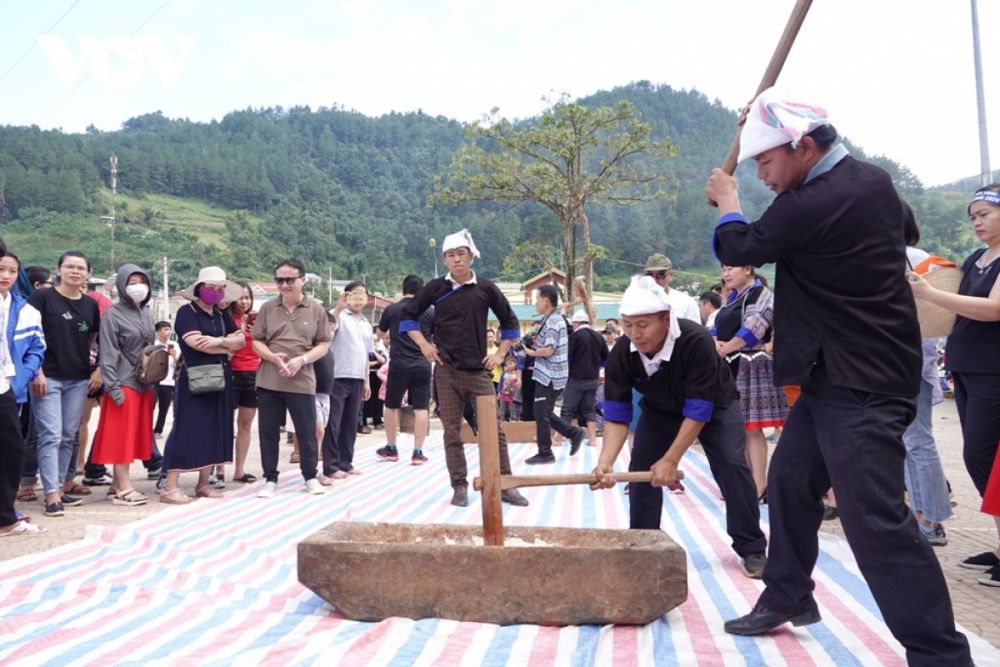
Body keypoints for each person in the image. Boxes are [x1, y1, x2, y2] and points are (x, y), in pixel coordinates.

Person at [706, 88, 971, 664]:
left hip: (864, 382)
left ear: (802, 147)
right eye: (751, 167)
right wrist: (759, 122)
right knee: (792, 485)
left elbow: (741, 244)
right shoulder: (868, 182)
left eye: (765, 162)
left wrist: (727, 199)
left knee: (874, 521)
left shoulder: (818, 199)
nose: (761, 176)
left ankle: (941, 655)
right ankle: (789, 594)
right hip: (836, 378)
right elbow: (903, 225)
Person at [591, 275, 768, 578]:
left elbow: (699, 411)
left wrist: (671, 460)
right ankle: (644, 543)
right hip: (660, 411)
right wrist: (605, 463)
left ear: (665, 318)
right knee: (642, 469)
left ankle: (751, 546)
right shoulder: (622, 352)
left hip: (715, 408)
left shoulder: (695, 341)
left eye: (643, 324)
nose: (635, 333)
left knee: (731, 464)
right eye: (628, 324)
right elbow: (618, 416)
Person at [909, 183, 1000, 585]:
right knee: (979, 458)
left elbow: (994, 309)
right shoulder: (977, 258)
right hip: (966, 368)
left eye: (984, 214)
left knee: (982, 456)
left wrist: (931, 293)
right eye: (973, 216)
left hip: (994, 371)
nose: (977, 221)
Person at [400, 229, 528, 507]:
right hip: (445, 371)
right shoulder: (435, 288)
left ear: (471, 256)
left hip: (479, 372)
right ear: (445, 259)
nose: (456, 260)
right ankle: (459, 486)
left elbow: (510, 322)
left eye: (461, 254)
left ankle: (504, 483)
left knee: (495, 430)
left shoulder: (485, 287)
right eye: (450, 255)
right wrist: (424, 345)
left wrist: (500, 354)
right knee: (451, 431)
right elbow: (407, 317)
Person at [160, 267, 245, 504]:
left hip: (221, 376)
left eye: (220, 289)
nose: (216, 293)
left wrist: (219, 341)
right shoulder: (187, 312)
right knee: (187, 428)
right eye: (211, 288)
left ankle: (203, 483)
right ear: (199, 288)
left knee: (215, 428)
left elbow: (240, 340)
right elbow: (196, 342)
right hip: (196, 376)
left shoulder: (220, 315)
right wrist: (226, 345)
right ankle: (169, 487)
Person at [29, 251, 101, 517]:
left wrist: (93, 368)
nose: (75, 271)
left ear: (87, 274)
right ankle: (50, 494)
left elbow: (91, 337)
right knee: (51, 434)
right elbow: (28, 335)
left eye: (80, 268)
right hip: (46, 377)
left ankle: (58, 487)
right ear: (58, 269)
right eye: (69, 266)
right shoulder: (41, 298)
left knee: (68, 436)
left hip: (78, 379)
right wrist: (36, 371)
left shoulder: (91, 305)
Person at [898, 204, 952, 546]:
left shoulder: (911, 259)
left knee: (916, 439)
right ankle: (921, 512)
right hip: (909, 358)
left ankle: (928, 518)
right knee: (910, 440)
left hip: (906, 360)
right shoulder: (921, 258)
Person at [253, 259, 331, 498]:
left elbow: (324, 343)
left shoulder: (316, 309)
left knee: (306, 431)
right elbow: (257, 341)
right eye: (280, 280)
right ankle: (270, 478)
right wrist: (273, 358)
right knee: (268, 431)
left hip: (302, 379)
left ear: (302, 280)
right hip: (269, 380)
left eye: (290, 280)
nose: (285, 285)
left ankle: (309, 476)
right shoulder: (267, 309)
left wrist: (302, 360)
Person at [711, 265, 788, 501]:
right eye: (723, 269)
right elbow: (716, 324)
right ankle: (744, 482)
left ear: (747, 269)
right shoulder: (733, 297)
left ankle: (758, 484)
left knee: (752, 429)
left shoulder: (762, 294)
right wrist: (714, 342)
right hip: (728, 362)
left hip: (750, 363)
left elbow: (755, 328)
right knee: (737, 427)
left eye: (730, 268)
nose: (726, 274)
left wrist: (724, 348)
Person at [90, 264, 157, 506]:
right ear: (121, 285)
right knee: (122, 436)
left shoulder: (145, 313)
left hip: (144, 383)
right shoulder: (112, 314)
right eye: (131, 281)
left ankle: (115, 484)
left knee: (134, 434)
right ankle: (124, 488)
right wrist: (112, 387)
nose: (137, 286)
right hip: (123, 382)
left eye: (142, 280)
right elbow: (108, 353)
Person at [0, 248, 46, 536]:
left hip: (5, 387)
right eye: (0, 269)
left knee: (11, 450)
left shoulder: (27, 311)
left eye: (11, 271)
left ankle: (5, 518)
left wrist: (19, 379)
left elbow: (36, 349)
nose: (5, 275)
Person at [523, 285, 588, 463]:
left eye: (537, 298)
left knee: (541, 412)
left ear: (545, 300)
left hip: (550, 374)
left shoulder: (553, 321)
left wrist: (531, 353)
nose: (536, 302)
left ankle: (545, 452)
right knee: (542, 411)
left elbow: (549, 349)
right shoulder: (553, 318)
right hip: (549, 373)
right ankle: (573, 433)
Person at [376, 275, 434, 465]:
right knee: (421, 407)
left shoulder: (391, 309)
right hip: (422, 364)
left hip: (399, 363)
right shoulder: (430, 311)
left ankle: (391, 448)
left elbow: (379, 335)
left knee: (392, 405)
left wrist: (390, 338)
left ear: (402, 290)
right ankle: (418, 452)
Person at [323, 281, 372, 480]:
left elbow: (366, 355)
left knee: (351, 424)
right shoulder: (339, 316)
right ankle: (331, 466)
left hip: (357, 378)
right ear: (346, 296)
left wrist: (367, 381)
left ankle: (346, 462)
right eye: (354, 295)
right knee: (333, 423)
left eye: (362, 296)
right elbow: (327, 332)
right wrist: (338, 307)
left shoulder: (366, 323)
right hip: (337, 376)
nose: (358, 300)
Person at [558, 309, 607, 447]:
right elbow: (606, 358)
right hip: (593, 379)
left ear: (578, 323)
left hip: (576, 378)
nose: (573, 326)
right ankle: (592, 440)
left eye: (573, 324)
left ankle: (558, 439)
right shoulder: (598, 336)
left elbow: (568, 357)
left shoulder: (575, 336)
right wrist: (596, 368)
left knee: (567, 409)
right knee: (589, 409)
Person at [227, 283, 259, 484]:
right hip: (230, 373)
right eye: (240, 298)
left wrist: (259, 332)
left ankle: (239, 470)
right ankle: (217, 469)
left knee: (245, 424)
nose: (244, 302)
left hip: (253, 373)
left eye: (247, 297)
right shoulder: (225, 318)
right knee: (224, 423)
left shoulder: (257, 321)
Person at [642, 254, 700, 323]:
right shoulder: (636, 302)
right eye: (650, 275)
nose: (655, 280)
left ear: (670, 276)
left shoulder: (687, 303)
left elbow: (695, 331)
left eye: (661, 274)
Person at [152, 321, 177, 439]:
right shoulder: (153, 345)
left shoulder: (174, 345)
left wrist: (174, 356)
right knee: (150, 406)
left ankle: (158, 430)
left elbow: (179, 364)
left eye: (169, 329)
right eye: (165, 329)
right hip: (153, 381)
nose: (168, 332)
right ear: (158, 332)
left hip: (168, 381)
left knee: (164, 407)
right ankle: (145, 429)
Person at [497, 355, 520, 421]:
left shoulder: (516, 374)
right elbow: (500, 383)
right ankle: (501, 420)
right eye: (507, 364)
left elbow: (517, 385)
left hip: (512, 395)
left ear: (515, 364)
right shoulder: (503, 374)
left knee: (512, 408)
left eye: (511, 363)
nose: (509, 365)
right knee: (502, 408)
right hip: (503, 394)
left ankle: (513, 419)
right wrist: (499, 392)